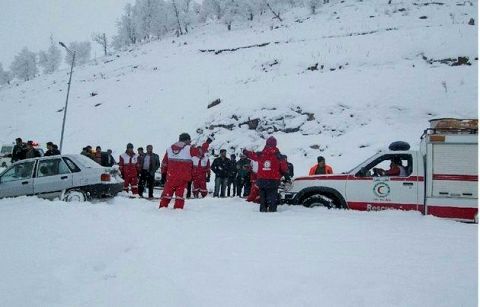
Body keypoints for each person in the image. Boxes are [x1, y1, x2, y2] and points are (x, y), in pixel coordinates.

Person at [160, 133, 212, 209]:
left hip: (170, 178)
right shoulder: (189, 149)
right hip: (182, 180)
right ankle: (178, 214)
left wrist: (163, 174)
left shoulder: (169, 149)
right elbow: (201, 151)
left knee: (166, 197)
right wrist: (207, 142)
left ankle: (161, 212)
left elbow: (164, 163)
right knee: (180, 198)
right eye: (189, 140)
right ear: (186, 140)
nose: (190, 142)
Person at [243, 136, 288, 212]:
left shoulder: (261, 154)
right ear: (275, 144)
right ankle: (272, 210)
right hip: (274, 180)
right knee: (273, 197)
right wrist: (282, 174)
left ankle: (263, 209)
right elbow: (284, 168)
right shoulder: (279, 156)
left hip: (262, 180)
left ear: (266, 143)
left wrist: (245, 152)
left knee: (262, 197)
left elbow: (252, 155)